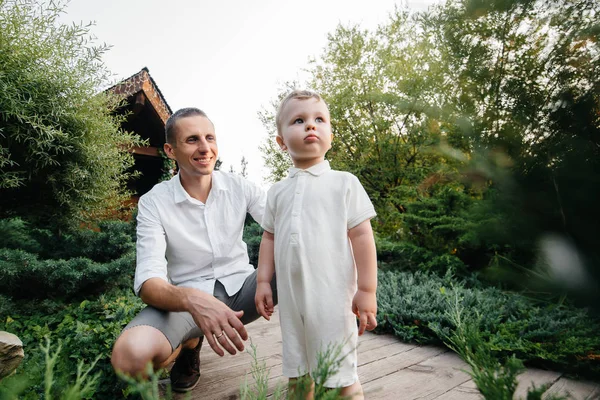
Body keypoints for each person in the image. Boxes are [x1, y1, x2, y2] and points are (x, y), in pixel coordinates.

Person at [111, 107, 277, 393]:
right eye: (192, 140)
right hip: (186, 304)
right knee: (130, 359)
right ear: (170, 150)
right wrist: (192, 300)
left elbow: (286, 229)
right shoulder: (154, 203)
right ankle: (189, 343)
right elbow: (148, 283)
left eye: (209, 138)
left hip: (246, 292)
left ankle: (315, 371)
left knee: (301, 255)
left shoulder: (240, 186)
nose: (205, 148)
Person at [255, 90, 378, 399]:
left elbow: (362, 236)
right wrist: (262, 281)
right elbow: (268, 237)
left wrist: (367, 290)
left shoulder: (344, 182)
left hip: (333, 299)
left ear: (330, 136)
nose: (311, 126)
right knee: (298, 371)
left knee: (338, 375)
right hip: (293, 301)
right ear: (281, 142)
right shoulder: (278, 192)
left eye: (319, 119)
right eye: (299, 120)